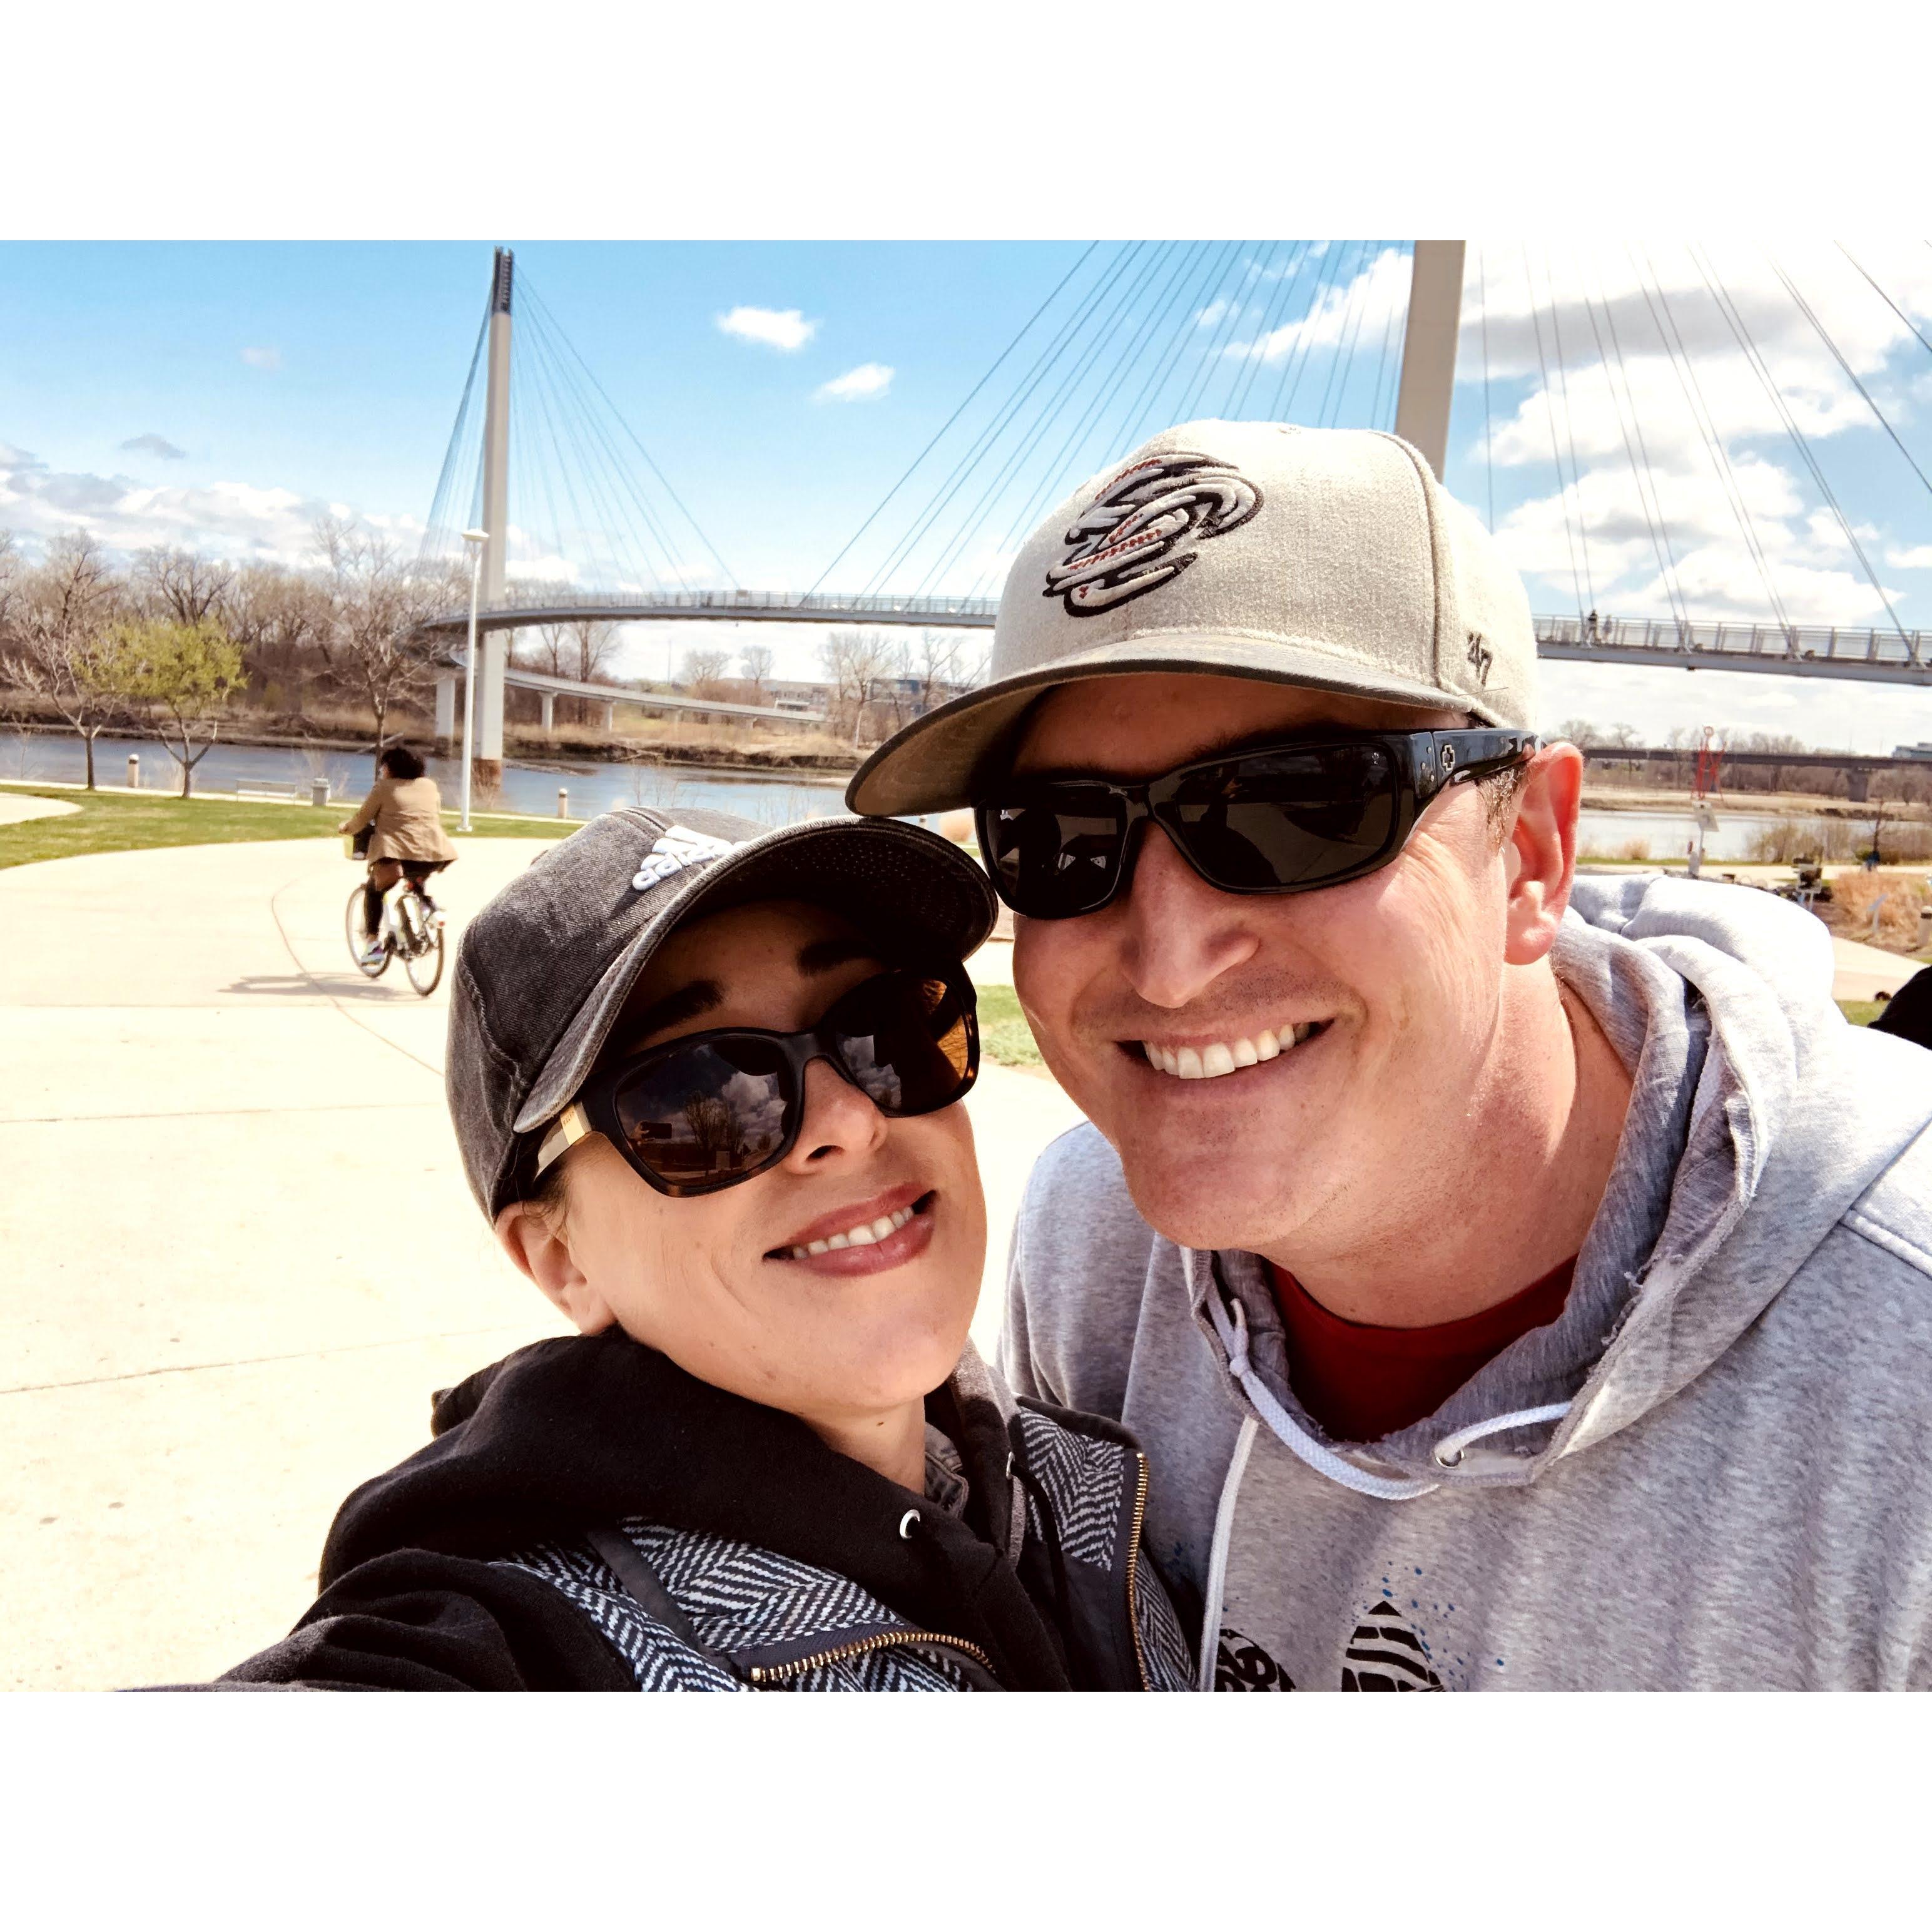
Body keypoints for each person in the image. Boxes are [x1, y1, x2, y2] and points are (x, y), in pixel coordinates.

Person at [850, 419, 1932, 1690]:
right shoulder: (1094, 1243)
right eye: (1058, 837)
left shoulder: (1895, 1361)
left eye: (1296, 806)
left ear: (1526, 851)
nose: (1166, 957)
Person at [211, 806, 1193, 1690]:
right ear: (562, 1260)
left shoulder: (1079, 1482)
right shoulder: (528, 1642)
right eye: (703, 1097)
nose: (847, 1120)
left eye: (885, 1029)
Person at [338, 744, 458, 964]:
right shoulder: (430, 786)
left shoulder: (384, 788)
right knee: (416, 877)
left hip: (395, 854)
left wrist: (346, 828)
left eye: (384, 766)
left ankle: (373, 945)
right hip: (434, 852)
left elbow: (362, 818)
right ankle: (427, 907)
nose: (382, 770)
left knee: (375, 890)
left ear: (391, 768)